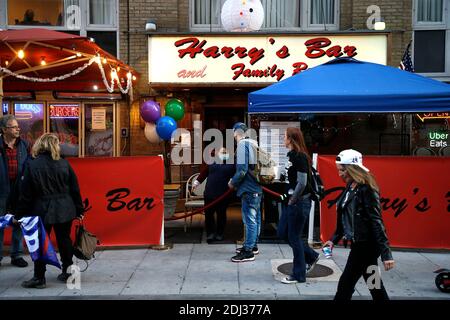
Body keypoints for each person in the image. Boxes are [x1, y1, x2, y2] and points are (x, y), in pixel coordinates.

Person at [14, 133, 84, 289]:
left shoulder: (32, 165)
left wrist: (18, 215)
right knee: (64, 240)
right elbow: (75, 188)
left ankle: (39, 277)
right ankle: (68, 271)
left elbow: (25, 195)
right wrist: (79, 209)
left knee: (40, 243)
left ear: (40, 145)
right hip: (65, 208)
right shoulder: (64, 163)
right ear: (55, 145)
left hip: (41, 209)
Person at [323, 149, 395, 300]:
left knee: (345, 285)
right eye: (339, 170)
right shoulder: (350, 187)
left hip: (366, 246)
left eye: (343, 170)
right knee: (374, 284)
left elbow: (376, 221)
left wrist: (386, 254)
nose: (340, 174)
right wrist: (333, 239)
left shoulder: (366, 189)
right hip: (360, 245)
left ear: (352, 169)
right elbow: (345, 218)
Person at [277, 127, 320, 284]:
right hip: (292, 201)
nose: (283, 139)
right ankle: (311, 256)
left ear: (291, 139)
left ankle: (298, 274)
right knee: (283, 233)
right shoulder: (291, 156)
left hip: (299, 202)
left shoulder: (300, 157)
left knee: (294, 237)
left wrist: (293, 199)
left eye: (284, 136)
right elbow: (292, 178)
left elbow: (301, 183)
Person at [228, 122, 262, 262]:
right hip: (257, 188)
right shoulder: (254, 144)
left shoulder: (243, 145)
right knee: (256, 218)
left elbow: (242, 170)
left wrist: (232, 182)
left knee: (249, 220)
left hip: (248, 188)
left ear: (236, 133)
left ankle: (248, 251)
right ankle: (253, 245)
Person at [0, 115, 29, 268]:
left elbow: (29, 165)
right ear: (4, 130)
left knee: (19, 222)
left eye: (18, 126)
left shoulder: (24, 145)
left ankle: (16, 255)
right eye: (13, 127)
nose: (18, 129)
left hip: (19, 190)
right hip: (1, 190)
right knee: (0, 223)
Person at [194, 147, 235, 243]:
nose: (223, 154)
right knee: (209, 215)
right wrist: (196, 183)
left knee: (221, 215)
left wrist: (233, 181)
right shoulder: (211, 162)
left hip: (223, 194)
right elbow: (204, 173)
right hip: (209, 193)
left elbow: (236, 175)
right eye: (221, 152)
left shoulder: (232, 164)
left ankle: (219, 233)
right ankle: (210, 234)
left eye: (225, 152)